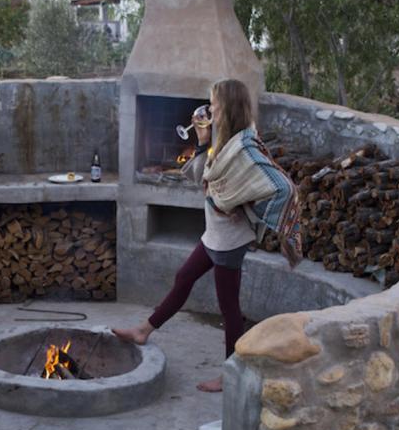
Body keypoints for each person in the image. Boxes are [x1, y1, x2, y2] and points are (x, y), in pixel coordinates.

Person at [113, 79, 278, 393]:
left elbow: (268, 186)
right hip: (214, 234)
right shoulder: (226, 139)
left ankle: (231, 375)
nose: (210, 108)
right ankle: (144, 330)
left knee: (229, 309)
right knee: (184, 277)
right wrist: (203, 140)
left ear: (227, 107)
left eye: (214, 103)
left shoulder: (244, 146)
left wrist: (242, 208)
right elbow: (202, 178)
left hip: (229, 240)